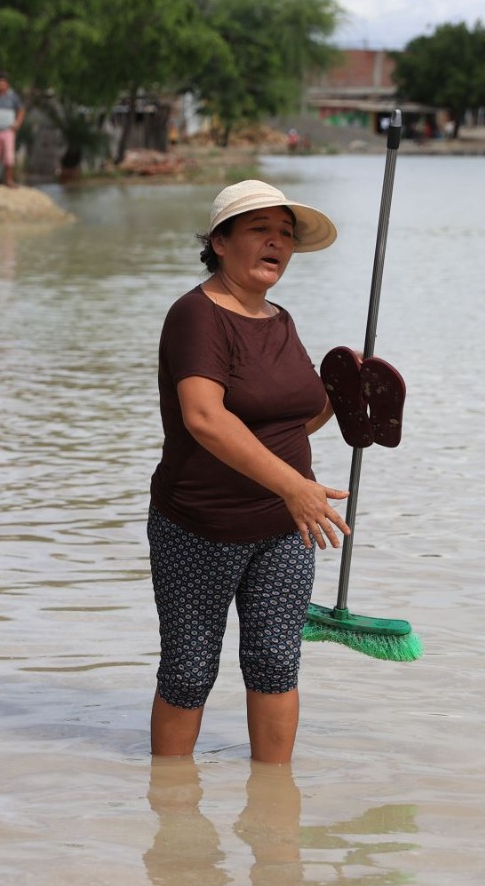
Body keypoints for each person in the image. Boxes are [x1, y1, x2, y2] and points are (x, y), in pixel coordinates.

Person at [148, 179, 346, 764]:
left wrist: (348, 395)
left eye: (285, 235)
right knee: (188, 671)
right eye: (261, 230)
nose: (276, 243)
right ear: (220, 241)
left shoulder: (280, 320)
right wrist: (296, 487)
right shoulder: (195, 316)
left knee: (275, 664)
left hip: (285, 527)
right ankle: (172, 810)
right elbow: (206, 420)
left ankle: (275, 812)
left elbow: (290, 423)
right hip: (200, 524)